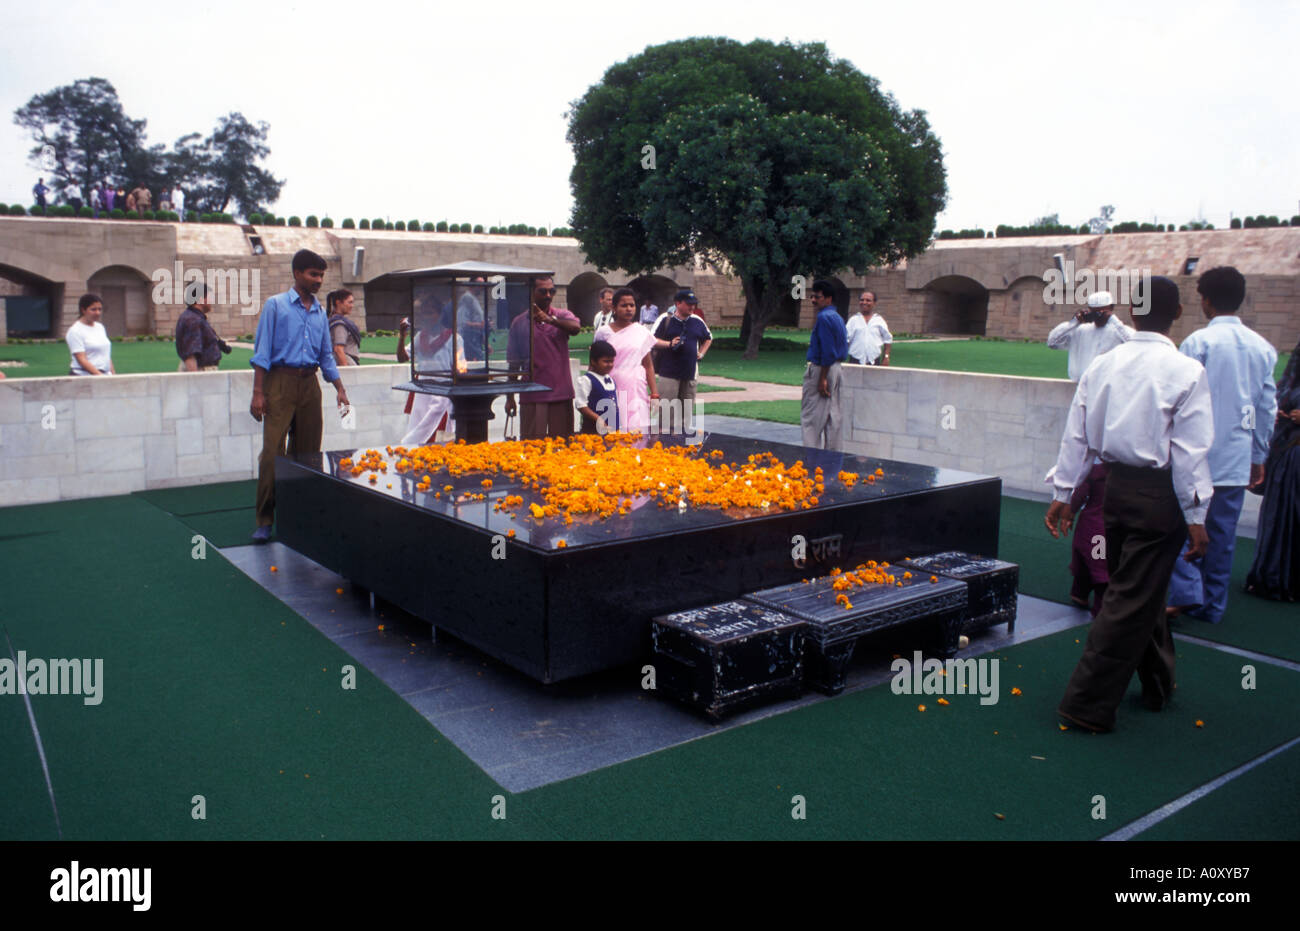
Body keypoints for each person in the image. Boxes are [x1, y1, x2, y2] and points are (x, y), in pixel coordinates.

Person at [1044, 275, 1213, 733]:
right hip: (1159, 500)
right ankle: (1085, 703)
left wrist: (1064, 494)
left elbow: (1076, 436)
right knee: (1129, 597)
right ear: (1178, 314)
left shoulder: (1103, 366)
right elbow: (1190, 454)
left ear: (1131, 312)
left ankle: (1159, 682)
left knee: (1137, 590)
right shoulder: (1186, 372)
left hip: (1113, 491)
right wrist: (1197, 516)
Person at [1166, 267, 1276, 624]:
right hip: (1234, 456)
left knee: (1183, 529)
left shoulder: (1198, 343)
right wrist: (1259, 455)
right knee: (1222, 537)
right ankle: (1212, 606)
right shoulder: (1263, 348)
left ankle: (1187, 596)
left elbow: (1180, 399)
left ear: (1206, 301)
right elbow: (1265, 407)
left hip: (1196, 457)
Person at [249, 249, 350, 542]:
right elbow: (262, 353)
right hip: (279, 382)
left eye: (321, 275)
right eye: (313, 274)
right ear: (297, 273)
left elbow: (326, 355)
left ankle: (300, 517)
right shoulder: (276, 306)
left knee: (307, 454)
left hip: (310, 385)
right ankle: (265, 520)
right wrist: (258, 393)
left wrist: (339, 388)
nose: (318, 280)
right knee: (272, 454)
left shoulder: (320, 313)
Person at [1246, 335, 1300, 601]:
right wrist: (1279, 410)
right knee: (1278, 516)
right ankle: (1272, 577)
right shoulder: (1293, 373)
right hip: (1286, 453)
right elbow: (1275, 396)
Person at [505, 276, 580, 439]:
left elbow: (575, 328)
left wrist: (550, 320)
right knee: (532, 447)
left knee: (562, 447)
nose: (548, 295)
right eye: (543, 291)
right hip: (531, 396)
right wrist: (509, 397)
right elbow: (513, 365)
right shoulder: (518, 323)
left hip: (560, 394)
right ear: (530, 292)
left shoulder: (561, 316)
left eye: (551, 291)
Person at [593, 286, 664, 434]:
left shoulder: (641, 331)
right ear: (614, 307)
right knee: (612, 428)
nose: (629, 309)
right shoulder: (603, 332)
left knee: (637, 429)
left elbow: (648, 365)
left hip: (636, 387)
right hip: (611, 386)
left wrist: (655, 394)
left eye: (632, 305)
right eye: (624, 305)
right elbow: (594, 364)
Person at [400, 296, 463, 446]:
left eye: (431, 313)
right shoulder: (420, 337)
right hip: (423, 391)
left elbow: (460, 367)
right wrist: (402, 337)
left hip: (443, 393)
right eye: (424, 313)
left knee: (442, 434)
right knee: (419, 429)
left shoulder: (454, 338)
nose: (427, 317)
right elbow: (402, 357)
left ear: (440, 314)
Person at [652, 288, 712, 433]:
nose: (692, 307)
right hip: (669, 371)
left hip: (690, 372)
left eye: (694, 304)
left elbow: (708, 338)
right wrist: (669, 344)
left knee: (686, 409)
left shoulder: (697, 320)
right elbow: (651, 340)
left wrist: (701, 353)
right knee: (666, 410)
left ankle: (682, 437)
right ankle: (664, 438)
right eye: (688, 304)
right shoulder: (665, 320)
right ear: (678, 303)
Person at [800, 279, 849, 449]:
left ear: (828, 299)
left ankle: (811, 461)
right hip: (836, 369)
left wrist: (822, 379)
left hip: (822, 369)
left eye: (818, 297)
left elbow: (828, 352)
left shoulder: (824, 318)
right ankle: (831, 461)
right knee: (832, 416)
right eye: (812, 296)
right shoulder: (837, 317)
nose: (813, 300)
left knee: (811, 420)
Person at [1046, 290, 1133, 382]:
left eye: (1102, 312)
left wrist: (1113, 319)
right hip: (1081, 386)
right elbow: (1052, 342)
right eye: (1094, 312)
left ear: (1111, 308)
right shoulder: (1081, 330)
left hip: (1107, 387)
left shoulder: (1120, 331)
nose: (1098, 316)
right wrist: (1075, 322)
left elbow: (1135, 345)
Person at [1068, 462, 1109, 616]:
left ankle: (1079, 593)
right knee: (1101, 569)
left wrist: (1071, 512)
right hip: (1100, 530)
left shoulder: (1094, 468)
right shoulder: (1125, 470)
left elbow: (1080, 493)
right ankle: (1101, 609)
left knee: (1085, 562)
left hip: (1089, 524)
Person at [175, 284, 230, 371]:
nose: (211, 301)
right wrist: (195, 379)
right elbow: (190, 354)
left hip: (203, 370)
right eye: (209, 297)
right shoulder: (192, 320)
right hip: (201, 371)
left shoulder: (195, 317)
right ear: (200, 299)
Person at [574, 340, 620, 434]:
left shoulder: (610, 379)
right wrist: (599, 419)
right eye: (606, 361)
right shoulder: (586, 380)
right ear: (593, 361)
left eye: (612, 361)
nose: (610, 365)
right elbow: (581, 405)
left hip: (612, 430)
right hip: (593, 431)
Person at [66, 293, 115, 375]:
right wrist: (100, 377)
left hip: (104, 375)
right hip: (83, 376)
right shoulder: (75, 331)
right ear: (83, 310)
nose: (97, 313)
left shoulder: (100, 327)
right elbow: (81, 360)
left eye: (100, 309)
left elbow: (106, 355)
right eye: (93, 309)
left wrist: (113, 375)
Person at [845, 291, 892, 365]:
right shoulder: (853, 320)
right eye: (862, 300)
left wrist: (886, 357)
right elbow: (846, 339)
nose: (864, 302)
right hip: (855, 360)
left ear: (874, 303)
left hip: (874, 360)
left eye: (868, 300)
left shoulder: (879, 320)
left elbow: (888, 339)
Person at [327, 289, 361, 366]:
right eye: (349, 302)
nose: (352, 306)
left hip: (349, 360)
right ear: (338, 303)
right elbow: (338, 349)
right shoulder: (339, 324)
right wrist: (346, 370)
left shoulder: (338, 321)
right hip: (346, 361)